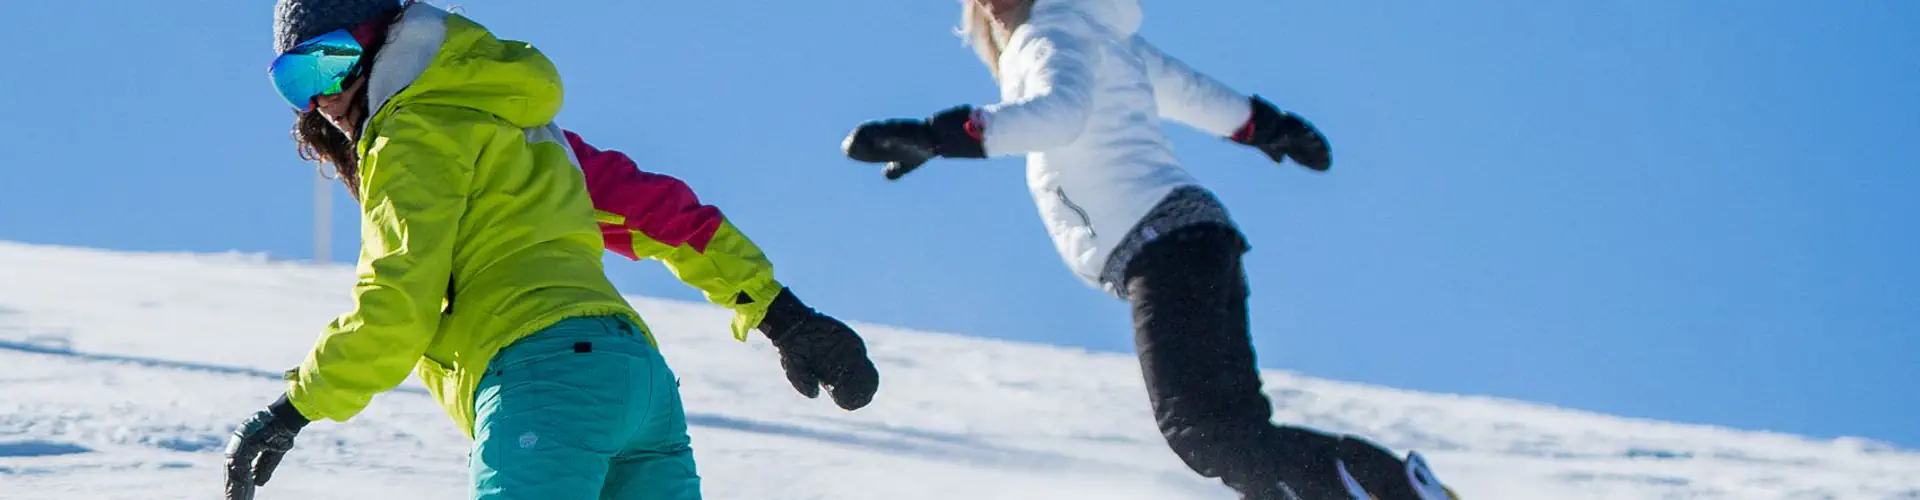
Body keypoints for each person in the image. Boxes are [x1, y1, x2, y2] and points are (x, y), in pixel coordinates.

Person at [222, 1, 879, 499]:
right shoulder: (526, 130)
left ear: (382, 40)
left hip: (544, 382)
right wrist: (785, 316)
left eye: (326, 62)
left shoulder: (410, 137)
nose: (319, 98)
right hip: (637, 383)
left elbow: (398, 304)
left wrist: (295, 407)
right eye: (293, 80)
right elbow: (666, 218)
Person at [839, 0, 1455, 498]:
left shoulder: (1048, 35)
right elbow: (1192, 92)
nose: (989, 6)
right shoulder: (1097, 31)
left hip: (1162, 244)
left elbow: (1061, 115)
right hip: (1193, 237)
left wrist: (937, 136)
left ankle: (1397, 490)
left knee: (1202, 432)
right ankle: (1384, 488)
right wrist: (1270, 128)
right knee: (1235, 434)